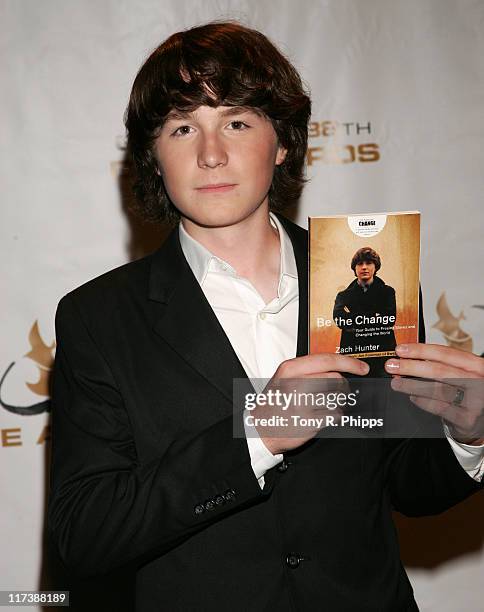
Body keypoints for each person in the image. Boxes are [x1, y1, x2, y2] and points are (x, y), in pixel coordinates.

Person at [48, 21, 484, 611]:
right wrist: (255, 432)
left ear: (281, 142)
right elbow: (85, 532)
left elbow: (406, 481)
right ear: (153, 158)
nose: (210, 154)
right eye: (182, 128)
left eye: (236, 121)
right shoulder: (98, 319)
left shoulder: (371, 283)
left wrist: (468, 434)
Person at [333, 247, 397, 374]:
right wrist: (373, 317)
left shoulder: (387, 292)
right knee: (352, 392)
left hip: (382, 355)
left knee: (385, 392)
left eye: (368, 263)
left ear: (375, 267)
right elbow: (339, 319)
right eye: (360, 263)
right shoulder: (343, 295)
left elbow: (389, 320)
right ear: (354, 268)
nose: (364, 267)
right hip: (352, 355)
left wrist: (353, 317)